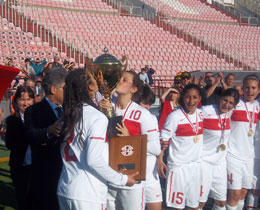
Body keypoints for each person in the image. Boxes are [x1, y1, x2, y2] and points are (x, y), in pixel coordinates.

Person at [57, 69, 138, 210]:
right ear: (91, 87)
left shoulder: (68, 114)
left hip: (65, 188)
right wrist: (123, 179)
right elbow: (93, 160)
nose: (98, 80)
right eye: (95, 78)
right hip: (88, 193)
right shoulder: (96, 117)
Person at [106, 70, 161, 210]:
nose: (119, 81)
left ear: (133, 89)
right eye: (119, 78)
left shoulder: (143, 114)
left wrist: (130, 139)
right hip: (108, 176)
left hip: (132, 177)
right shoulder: (105, 107)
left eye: (124, 80)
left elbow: (155, 148)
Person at [24, 68, 68, 210]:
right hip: (46, 178)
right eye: (65, 88)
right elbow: (31, 135)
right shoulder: (33, 111)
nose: (68, 92)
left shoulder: (71, 109)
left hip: (68, 177)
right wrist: (48, 132)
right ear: (54, 89)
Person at [159, 84, 204, 210]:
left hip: (196, 166)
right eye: (188, 97)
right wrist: (160, 160)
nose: (191, 101)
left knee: (193, 206)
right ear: (183, 98)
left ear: (199, 98)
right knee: (176, 207)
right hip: (178, 167)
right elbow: (163, 139)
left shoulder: (201, 114)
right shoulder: (174, 116)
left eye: (195, 97)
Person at [199, 88, 240, 210]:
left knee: (221, 202)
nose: (227, 105)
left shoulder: (230, 113)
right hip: (204, 161)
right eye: (224, 100)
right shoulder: (206, 110)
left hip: (220, 163)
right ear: (220, 98)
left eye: (231, 103)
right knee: (200, 202)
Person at [226, 74, 260, 210]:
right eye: (247, 87)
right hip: (233, 155)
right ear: (242, 89)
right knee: (234, 194)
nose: (250, 91)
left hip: (249, 157)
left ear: (258, 90)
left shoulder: (258, 106)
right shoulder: (234, 104)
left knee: (243, 193)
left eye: (253, 88)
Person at [5, 86, 35, 210]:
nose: (26, 103)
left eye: (29, 99)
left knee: (37, 199)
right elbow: (10, 144)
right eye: (22, 99)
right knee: (22, 199)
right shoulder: (12, 120)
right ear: (16, 101)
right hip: (20, 166)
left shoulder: (38, 118)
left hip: (36, 166)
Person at [139, 85, 162, 210]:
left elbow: (156, 148)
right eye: (145, 103)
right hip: (135, 174)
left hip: (151, 174)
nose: (148, 107)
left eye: (150, 104)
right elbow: (154, 147)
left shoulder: (152, 118)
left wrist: (160, 158)